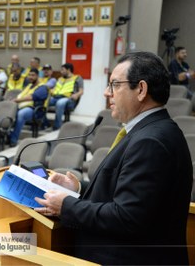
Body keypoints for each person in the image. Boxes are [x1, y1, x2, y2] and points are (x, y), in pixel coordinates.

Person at [34, 51, 193, 265]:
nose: (106, 93)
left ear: (141, 89)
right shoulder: (151, 131)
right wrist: (78, 188)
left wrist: (67, 206)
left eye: (114, 85)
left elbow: (127, 217)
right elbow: (125, 191)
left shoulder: (151, 141)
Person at [8, 68, 48, 147]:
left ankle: (13, 139)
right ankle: (7, 134)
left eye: (33, 75)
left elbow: (32, 97)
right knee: (8, 110)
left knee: (21, 114)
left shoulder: (42, 87)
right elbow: (21, 95)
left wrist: (16, 100)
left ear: (37, 76)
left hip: (35, 110)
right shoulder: (29, 85)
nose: (30, 77)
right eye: (29, 75)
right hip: (23, 107)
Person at [49, 63, 83, 130]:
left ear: (68, 70)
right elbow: (55, 88)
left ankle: (57, 127)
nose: (61, 71)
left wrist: (76, 95)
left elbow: (81, 91)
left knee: (60, 103)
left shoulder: (77, 78)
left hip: (68, 99)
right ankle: (44, 123)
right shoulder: (60, 79)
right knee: (44, 100)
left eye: (62, 70)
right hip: (56, 97)